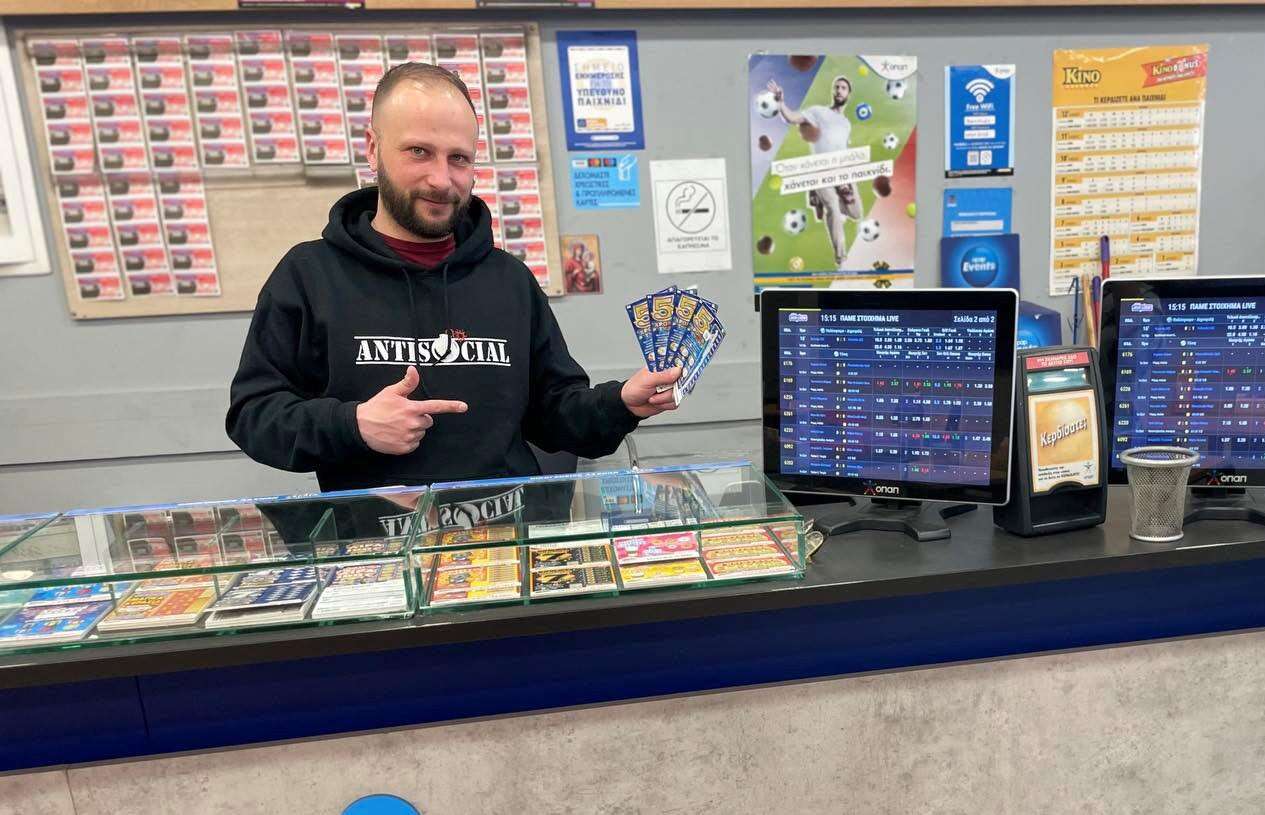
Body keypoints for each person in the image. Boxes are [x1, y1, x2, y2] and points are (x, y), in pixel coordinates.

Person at [226, 63, 680, 492]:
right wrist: (353, 424)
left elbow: (556, 414)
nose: (441, 180)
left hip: (507, 534)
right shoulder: (309, 275)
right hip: (375, 540)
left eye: (459, 158)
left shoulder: (509, 280)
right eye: (419, 152)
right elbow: (254, 415)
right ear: (372, 149)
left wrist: (621, 403)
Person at [767, 75, 863, 270]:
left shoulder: (846, 124)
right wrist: (781, 103)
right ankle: (841, 259)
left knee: (856, 213)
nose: (839, 90)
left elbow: (844, 149)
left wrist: (849, 176)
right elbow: (792, 118)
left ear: (848, 94)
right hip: (819, 170)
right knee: (833, 207)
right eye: (836, 87)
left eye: (843, 88)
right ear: (833, 91)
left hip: (842, 172)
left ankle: (818, 198)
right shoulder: (818, 112)